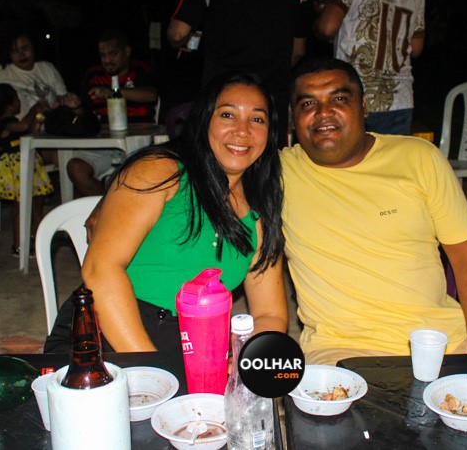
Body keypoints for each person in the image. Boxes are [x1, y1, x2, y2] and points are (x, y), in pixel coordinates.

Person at [46, 71, 288, 353]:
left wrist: (248, 361)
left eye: (257, 119)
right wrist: (152, 369)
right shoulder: (161, 171)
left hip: (195, 350)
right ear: (204, 120)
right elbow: (100, 270)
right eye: (227, 115)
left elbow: (270, 314)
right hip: (102, 336)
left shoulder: (259, 213)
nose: (242, 130)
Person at [281, 57, 467, 365]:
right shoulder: (280, 173)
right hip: (341, 352)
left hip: (441, 341)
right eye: (308, 103)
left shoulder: (419, 158)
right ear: (293, 118)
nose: (323, 112)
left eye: (339, 99)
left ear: (363, 107)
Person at [167, 0, 312, 148]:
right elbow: (298, 51)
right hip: (270, 97)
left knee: (219, 156)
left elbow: (177, 33)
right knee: (268, 158)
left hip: (222, 94)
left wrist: (186, 42)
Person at [313, 0, 425, 135]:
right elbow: (417, 47)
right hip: (400, 98)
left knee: (348, 157)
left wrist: (318, 20)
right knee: (392, 158)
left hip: (353, 95)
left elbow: (327, 27)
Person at [0, 24, 77, 169]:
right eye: (15, 51)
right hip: (21, 144)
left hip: (53, 133)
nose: (21, 54)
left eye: (25, 48)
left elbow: (63, 100)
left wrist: (67, 102)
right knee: (65, 157)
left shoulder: (47, 68)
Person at [67, 30, 159, 197]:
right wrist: (75, 106)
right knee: (76, 167)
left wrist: (113, 92)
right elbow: (84, 112)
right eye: (103, 55)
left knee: (138, 175)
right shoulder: (93, 75)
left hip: (137, 140)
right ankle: (110, 206)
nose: (107, 60)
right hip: (102, 141)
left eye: (113, 54)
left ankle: (116, 206)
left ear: (127, 51)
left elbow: (151, 95)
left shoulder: (140, 69)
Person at [0, 83, 54, 256]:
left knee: (36, 208)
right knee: (21, 209)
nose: (20, 102)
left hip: (30, 165)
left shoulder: (15, 122)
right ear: (10, 105)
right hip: (16, 170)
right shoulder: (4, 124)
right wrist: (33, 109)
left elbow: (30, 132)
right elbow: (23, 127)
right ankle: (18, 246)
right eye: (17, 99)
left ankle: (39, 242)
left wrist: (39, 119)